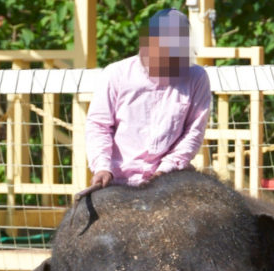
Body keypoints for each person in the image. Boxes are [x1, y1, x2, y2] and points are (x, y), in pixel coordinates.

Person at [84, 9, 212, 191]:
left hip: (170, 180)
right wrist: (102, 167)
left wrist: (165, 171)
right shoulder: (116, 74)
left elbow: (193, 132)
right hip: (116, 179)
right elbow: (98, 125)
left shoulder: (197, 78)